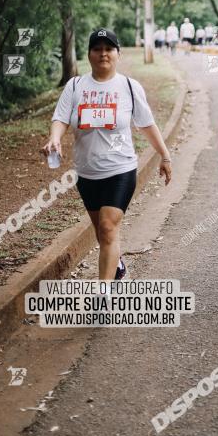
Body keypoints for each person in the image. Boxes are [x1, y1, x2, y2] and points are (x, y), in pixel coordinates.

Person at [42, 28, 172, 281]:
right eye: (97, 49)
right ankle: (117, 266)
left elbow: (146, 124)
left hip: (120, 170)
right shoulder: (75, 85)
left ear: (118, 54)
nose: (103, 53)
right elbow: (60, 118)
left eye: (109, 48)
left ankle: (104, 293)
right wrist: (54, 139)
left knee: (107, 227)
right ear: (89, 55)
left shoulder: (129, 87)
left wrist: (165, 156)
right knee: (103, 235)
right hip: (87, 172)